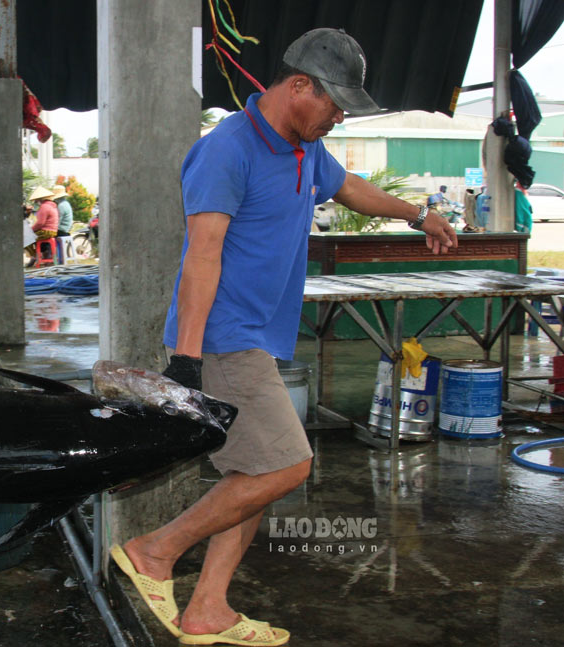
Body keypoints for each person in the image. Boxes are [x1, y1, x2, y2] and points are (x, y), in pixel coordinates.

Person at [110, 28, 457, 647]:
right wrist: (186, 359)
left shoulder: (304, 149)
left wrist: (416, 214)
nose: (340, 116)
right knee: (288, 466)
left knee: (254, 473)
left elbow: (349, 188)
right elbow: (202, 256)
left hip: (260, 337)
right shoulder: (228, 150)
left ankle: (207, 608)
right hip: (225, 338)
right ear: (299, 86)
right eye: (335, 103)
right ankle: (154, 553)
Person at [25, 186, 58, 267]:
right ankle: (40, 255)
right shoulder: (52, 206)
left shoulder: (44, 207)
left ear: (40, 199)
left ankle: (34, 256)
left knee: (26, 238)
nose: (36, 202)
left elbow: (40, 223)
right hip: (53, 231)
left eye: (36, 200)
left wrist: (31, 230)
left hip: (46, 231)